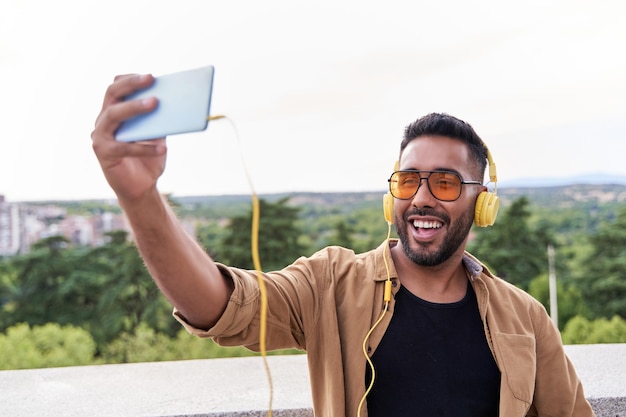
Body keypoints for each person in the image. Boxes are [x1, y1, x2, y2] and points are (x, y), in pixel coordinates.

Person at [91, 73, 596, 417]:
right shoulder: (331, 282)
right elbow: (220, 305)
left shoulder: (525, 318)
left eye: (444, 183)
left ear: (482, 203)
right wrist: (140, 198)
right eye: (407, 181)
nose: (421, 199)